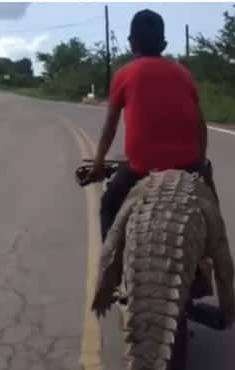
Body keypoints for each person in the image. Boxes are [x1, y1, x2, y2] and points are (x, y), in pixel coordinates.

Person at [86, 9, 212, 241]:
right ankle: (219, 269)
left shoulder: (124, 75)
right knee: (212, 214)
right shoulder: (183, 73)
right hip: (188, 166)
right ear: (164, 44)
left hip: (141, 168)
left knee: (108, 206)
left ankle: (109, 272)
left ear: (132, 44)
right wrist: (201, 162)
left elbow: (110, 127)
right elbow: (200, 124)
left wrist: (98, 164)